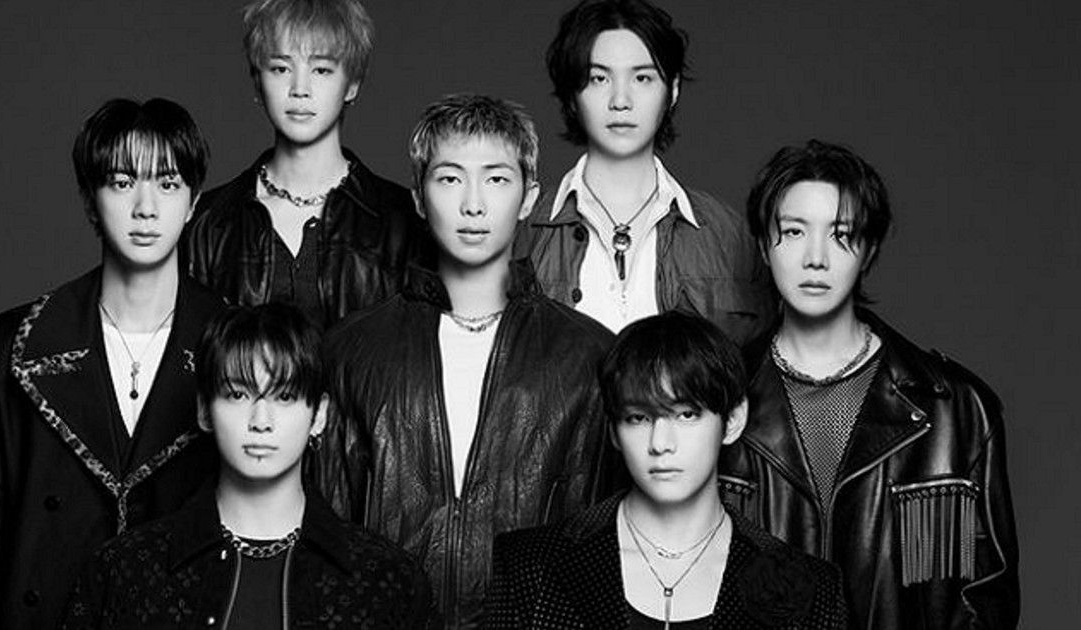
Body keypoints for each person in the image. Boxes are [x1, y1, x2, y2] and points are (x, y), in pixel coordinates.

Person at [317, 94, 614, 629]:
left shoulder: (588, 355)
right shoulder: (351, 351)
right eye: (450, 179)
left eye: (496, 179)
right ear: (418, 196)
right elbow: (326, 535)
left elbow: (603, 542)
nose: (473, 205)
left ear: (529, 198)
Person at [0, 98, 225, 630]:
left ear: (193, 202)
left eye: (168, 184)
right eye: (122, 182)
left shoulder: (235, 347)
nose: (146, 207)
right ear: (90, 201)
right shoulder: (5, 349)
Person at [719, 139, 1019, 629]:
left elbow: (986, 602)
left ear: (870, 250)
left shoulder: (957, 410)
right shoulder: (715, 397)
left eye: (841, 235)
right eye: (793, 232)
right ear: (762, 246)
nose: (815, 258)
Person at [61, 304, 436, 629]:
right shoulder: (124, 571)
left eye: (285, 396)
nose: (261, 421)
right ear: (204, 409)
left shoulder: (388, 580)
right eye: (238, 394)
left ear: (319, 415)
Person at [486, 311, 846, 629]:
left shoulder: (813, 590)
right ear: (613, 430)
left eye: (686, 415)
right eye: (638, 418)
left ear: (733, 420)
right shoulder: (529, 566)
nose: (660, 443)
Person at [515, 0, 773, 341]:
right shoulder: (521, 233)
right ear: (571, 96)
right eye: (598, 78)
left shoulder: (730, 238)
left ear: (673, 90)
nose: (621, 100)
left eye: (642, 78)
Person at [185, 0, 427, 328]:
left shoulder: (404, 222)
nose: (300, 90)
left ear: (352, 84)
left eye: (321, 70)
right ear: (257, 81)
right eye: (281, 69)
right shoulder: (205, 223)